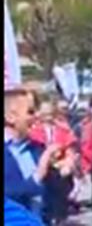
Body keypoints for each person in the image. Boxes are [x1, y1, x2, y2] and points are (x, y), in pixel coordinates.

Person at [5, 88, 72, 221]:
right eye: (30, 112)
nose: (36, 116)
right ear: (11, 117)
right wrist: (37, 175)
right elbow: (8, 194)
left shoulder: (38, 149)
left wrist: (65, 172)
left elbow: (56, 193)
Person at [28, 98, 76, 225]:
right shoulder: (32, 131)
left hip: (59, 169)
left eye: (50, 112)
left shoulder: (62, 129)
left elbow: (70, 148)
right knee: (44, 203)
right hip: (42, 169)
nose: (47, 116)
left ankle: (60, 219)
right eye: (44, 112)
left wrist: (68, 162)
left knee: (61, 202)